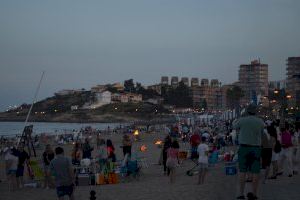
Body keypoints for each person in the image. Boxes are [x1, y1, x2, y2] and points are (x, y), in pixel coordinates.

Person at [233, 104, 264, 200]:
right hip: (255, 148)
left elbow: (234, 126)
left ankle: (241, 194)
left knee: (242, 171)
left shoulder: (242, 120)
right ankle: (254, 194)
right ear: (256, 111)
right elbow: (261, 134)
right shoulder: (260, 121)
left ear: (247, 111)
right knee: (255, 172)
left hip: (244, 148)